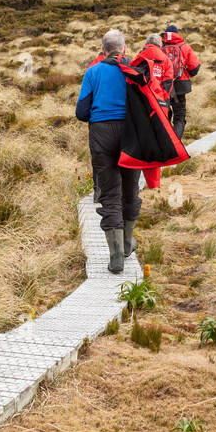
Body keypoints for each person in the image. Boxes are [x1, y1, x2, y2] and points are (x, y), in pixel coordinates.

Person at [75, 29, 139, 274]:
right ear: (124, 49)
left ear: (103, 51)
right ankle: (126, 245)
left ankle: (115, 259)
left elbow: (81, 112)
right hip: (131, 136)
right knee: (130, 190)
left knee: (110, 193)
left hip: (102, 136)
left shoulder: (93, 72)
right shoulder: (134, 69)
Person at [161, 25, 200, 139]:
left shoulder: (160, 47)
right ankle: (175, 145)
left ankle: (164, 142)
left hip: (164, 87)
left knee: (164, 115)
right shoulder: (185, 47)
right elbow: (195, 68)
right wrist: (186, 74)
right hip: (180, 86)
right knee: (179, 117)